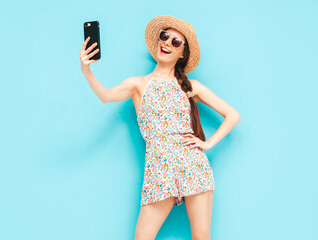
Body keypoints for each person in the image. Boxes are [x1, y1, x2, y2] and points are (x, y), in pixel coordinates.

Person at [79, 15, 241, 240]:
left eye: (176, 41)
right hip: (159, 167)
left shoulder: (191, 86)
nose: (167, 43)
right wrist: (87, 71)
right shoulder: (138, 84)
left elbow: (233, 115)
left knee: (202, 236)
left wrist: (207, 143)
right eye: (165, 36)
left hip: (193, 165)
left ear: (182, 53)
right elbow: (106, 96)